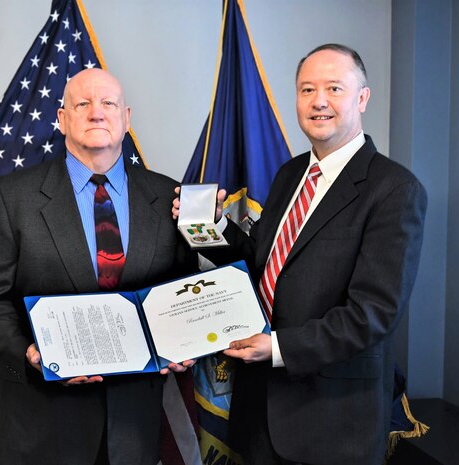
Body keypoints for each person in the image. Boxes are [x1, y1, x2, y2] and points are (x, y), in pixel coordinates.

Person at [174, 44, 427, 465]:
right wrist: (212, 226)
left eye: (334, 88)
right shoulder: (290, 174)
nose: (319, 101)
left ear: (362, 98)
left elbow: (373, 314)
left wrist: (274, 348)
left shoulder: (394, 190)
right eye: (307, 89)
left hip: (332, 420)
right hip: (260, 412)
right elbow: (263, 263)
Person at [0, 68, 197, 465]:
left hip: (134, 427)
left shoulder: (166, 195)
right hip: (42, 423)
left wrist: (184, 341)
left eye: (108, 103)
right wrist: (32, 354)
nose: (96, 113)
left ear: (126, 117)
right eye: (82, 103)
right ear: (62, 118)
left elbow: (180, 289)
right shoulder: (12, 197)